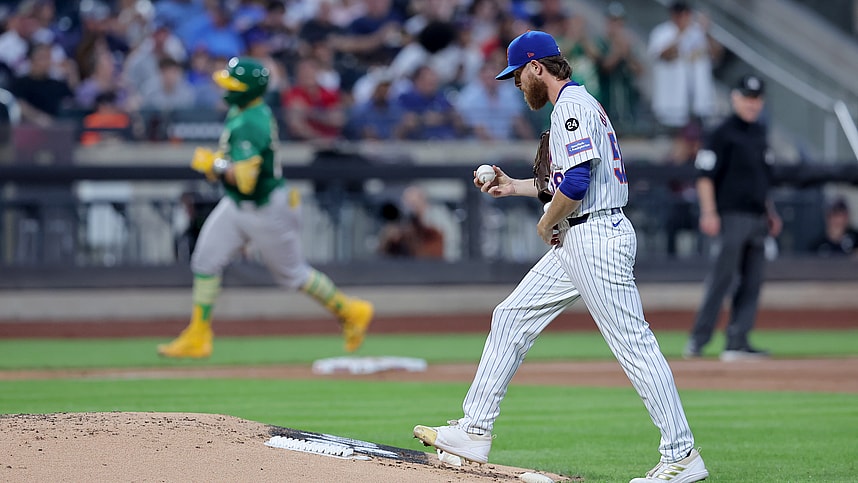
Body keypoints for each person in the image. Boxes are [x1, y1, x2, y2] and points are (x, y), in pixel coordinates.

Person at [413, 31, 709, 483]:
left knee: (634, 345)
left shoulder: (571, 106)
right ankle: (475, 430)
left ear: (537, 67)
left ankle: (682, 454)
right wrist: (513, 186)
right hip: (582, 235)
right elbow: (561, 181)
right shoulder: (577, 105)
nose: (516, 85)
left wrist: (546, 221)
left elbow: (575, 184)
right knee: (511, 316)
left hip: (595, 236)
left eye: (517, 76)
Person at [157, 57, 374, 359]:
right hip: (238, 204)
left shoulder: (251, 121)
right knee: (205, 260)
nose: (225, 89)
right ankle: (198, 335)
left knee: (293, 275)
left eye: (233, 85)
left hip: (266, 207)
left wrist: (215, 164)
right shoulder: (242, 110)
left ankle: (351, 311)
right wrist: (219, 164)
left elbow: (246, 180)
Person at [684, 74, 782, 362]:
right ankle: (698, 340)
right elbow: (704, 175)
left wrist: (770, 211)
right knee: (722, 279)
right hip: (730, 215)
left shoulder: (760, 133)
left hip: (756, 215)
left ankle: (737, 341)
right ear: (735, 98)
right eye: (748, 98)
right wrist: (709, 211)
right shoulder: (721, 132)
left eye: (757, 99)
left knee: (752, 281)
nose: (752, 104)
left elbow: (761, 179)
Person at [647, 1, 721, 164]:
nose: (683, 17)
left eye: (686, 13)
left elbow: (717, 54)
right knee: (675, 152)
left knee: (699, 148)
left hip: (698, 104)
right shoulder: (662, 32)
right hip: (672, 105)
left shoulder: (699, 33)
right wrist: (681, 34)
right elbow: (663, 55)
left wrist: (707, 31)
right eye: (679, 14)